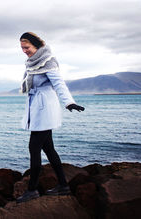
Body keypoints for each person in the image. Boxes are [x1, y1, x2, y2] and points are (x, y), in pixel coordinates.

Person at [17, 32, 85, 203]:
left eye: (27, 47)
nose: (24, 51)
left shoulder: (48, 61)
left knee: (34, 148)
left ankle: (32, 190)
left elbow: (59, 84)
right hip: (38, 107)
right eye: (22, 48)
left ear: (36, 45)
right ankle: (63, 186)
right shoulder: (32, 63)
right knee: (48, 149)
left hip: (45, 108)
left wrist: (69, 102)